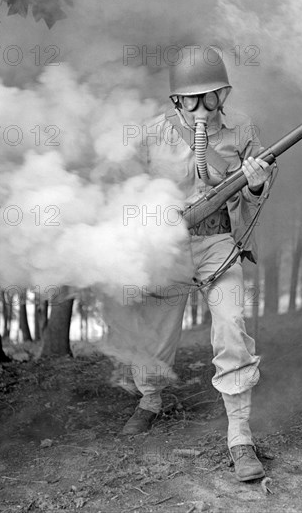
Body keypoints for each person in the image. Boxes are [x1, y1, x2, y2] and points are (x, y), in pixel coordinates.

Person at [115, 45, 273, 482]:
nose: (203, 107)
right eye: (192, 98)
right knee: (156, 333)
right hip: (165, 246)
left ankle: (239, 436)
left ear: (224, 94)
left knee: (231, 328)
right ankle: (150, 398)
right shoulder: (151, 133)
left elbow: (257, 187)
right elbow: (124, 186)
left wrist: (257, 186)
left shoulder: (242, 130)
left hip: (218, 241)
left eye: (211, 96)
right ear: (176, 101)